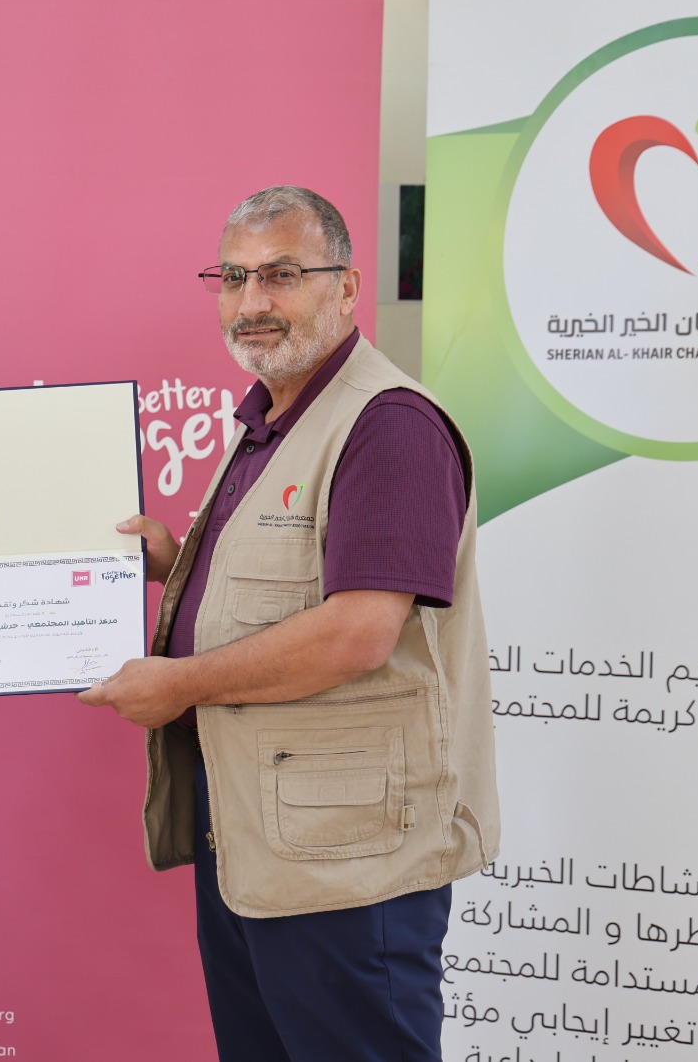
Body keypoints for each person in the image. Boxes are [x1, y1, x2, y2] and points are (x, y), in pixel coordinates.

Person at [79, 186, 499, 1061]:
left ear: (346, 288)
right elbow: (289, 581)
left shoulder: (388, 425)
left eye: (281, 275)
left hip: (349, 862)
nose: (252, 302)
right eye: (233, 277)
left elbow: (358, 632)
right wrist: (175, 563)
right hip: (255, 840)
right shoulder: (269, 417)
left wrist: (178, 685)